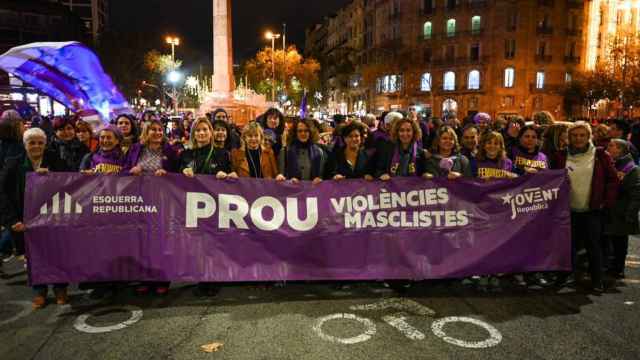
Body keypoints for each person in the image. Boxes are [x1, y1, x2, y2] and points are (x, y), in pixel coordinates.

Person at [0, 128, 66, 309]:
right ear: (25, 144)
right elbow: (3, 193)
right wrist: (12, 220)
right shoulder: (13, 164)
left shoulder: (55, 160)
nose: (36, 146)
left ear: (45, 144)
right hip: (25, 219)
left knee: (57, 253)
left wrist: (52, 177)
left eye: (40, 143)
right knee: (33, 256)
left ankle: (60, 288)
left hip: (52, 217)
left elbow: (70, 181)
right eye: (32, 142)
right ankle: (40, 291)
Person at [555, 121, 618, 292]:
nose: (578, 138)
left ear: (589, 136)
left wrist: (606, 202)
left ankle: (597, 280)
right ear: (568, 137)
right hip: (568, 210)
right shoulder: (561, 156)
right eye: (574, 135)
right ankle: (564, 276)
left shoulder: (600, 155)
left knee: (593, 246)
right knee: (568, 246)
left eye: (582, 135)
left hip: (592, 209)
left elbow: (612, 180)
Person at [180, 117, 236, 297]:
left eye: (205, 129)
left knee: (215, 244)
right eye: (198, 130)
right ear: (193, 134)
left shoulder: (221, 154)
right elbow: (174, 180)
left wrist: (225, 174)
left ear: (211, 133)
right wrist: (183, 173)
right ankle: (201, 278)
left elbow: (230, 178)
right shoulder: (186, 155)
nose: (202, 133)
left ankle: (215, 278)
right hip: (193, 208)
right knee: (197, 245)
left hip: (215, 207)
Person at [126, 119, 179, 295]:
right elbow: (125, 169)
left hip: (162, 200)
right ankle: (144, 278)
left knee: (161, 240)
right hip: (140, 200)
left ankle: (162, 278)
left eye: (159, 129)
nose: (157, 133)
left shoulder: (169, 151)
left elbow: (178, 172)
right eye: (152, 130)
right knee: (141, 240)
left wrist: (167, 173)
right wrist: (131, 171)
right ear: (145, 132)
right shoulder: (136, 149)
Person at [604, 139, 640, 279]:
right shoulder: (612, 165)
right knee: (612, 241)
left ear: (620, 150)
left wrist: (630, 214)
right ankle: (612, 266)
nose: (608, 148)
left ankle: (618, 268)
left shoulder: (631, 168)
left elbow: (636, 194)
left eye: (611, 146)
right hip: (612, 211)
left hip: (622, 213)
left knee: (620, 243)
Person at [276, 118, 327, 184]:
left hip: (312, 192)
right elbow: (281, 175)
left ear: (310, 132)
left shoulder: (319, 152)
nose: (303, 133)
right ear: (295, 133)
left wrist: (319, 179)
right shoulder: (285, 151)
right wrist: (287, 180)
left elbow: (322, 175)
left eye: (306, 131)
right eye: (300, 131)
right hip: (291, 191)